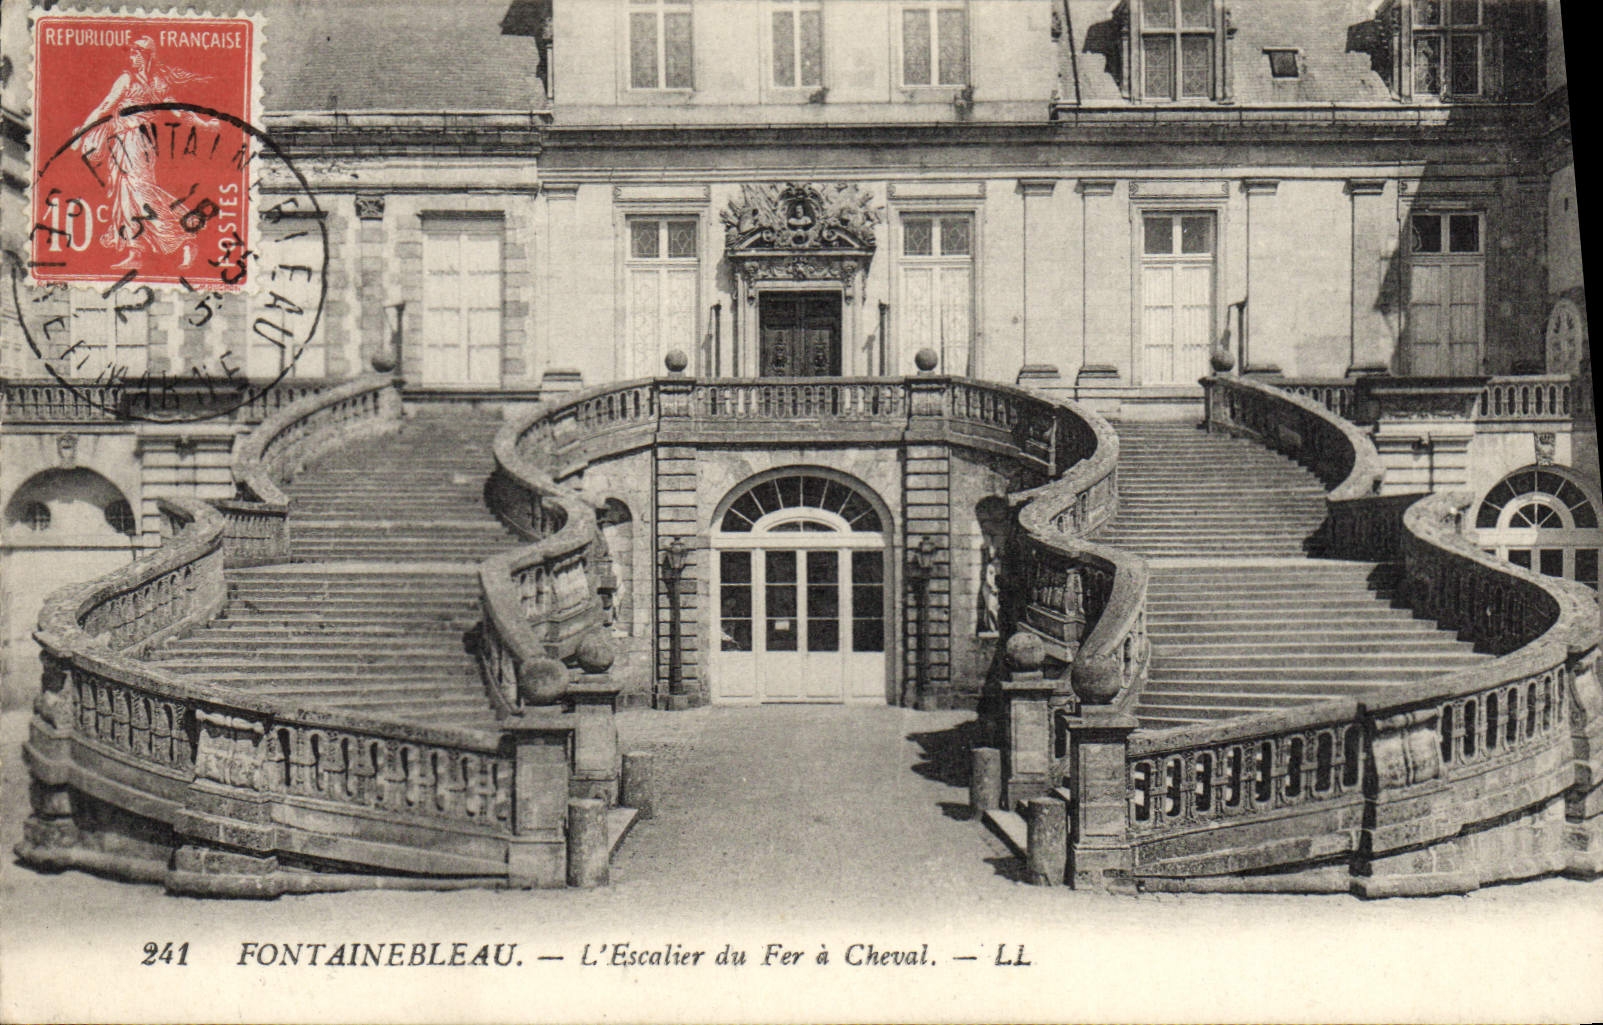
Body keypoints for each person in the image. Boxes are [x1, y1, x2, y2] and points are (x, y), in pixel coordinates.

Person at [70, 37, 214, 269]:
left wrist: (203, 124)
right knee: (125, 194)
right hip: (123, 141)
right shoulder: (127, 79)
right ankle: (136, 251)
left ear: (147, 55)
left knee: (141, 193)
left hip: (139, 141)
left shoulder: (156, 83)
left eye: (137, 53)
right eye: (131, 53)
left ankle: (185, 239)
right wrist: (81, 133)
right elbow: (104, 107)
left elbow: (176, 109)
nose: (132, 57)